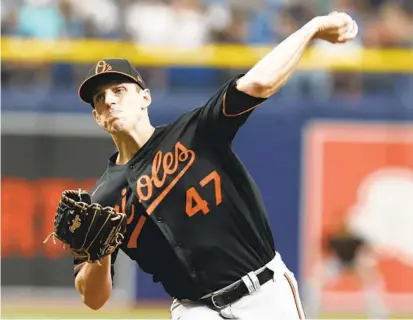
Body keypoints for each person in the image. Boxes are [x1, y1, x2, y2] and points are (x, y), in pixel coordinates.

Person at [72, 11, 358, 319]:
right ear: (97, 117)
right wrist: (97, 256)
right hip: (194, 310)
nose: (110, 101)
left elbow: (259, 82)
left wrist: (312, 28)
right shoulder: (100, 201)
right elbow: (93, 298)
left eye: (119, 91)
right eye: (99, 99)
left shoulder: (196, 131)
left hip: (263, 293)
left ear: (145, 97)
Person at [303, 224, 389, 319]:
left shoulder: (358, 239)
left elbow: (368, 251)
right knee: (313, 281)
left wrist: (366, 268)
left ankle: (379, 315)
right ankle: (309, 312)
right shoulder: (335, 240)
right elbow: (324, 252)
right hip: (339, 262)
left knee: (374, 284)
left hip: (356, 262)